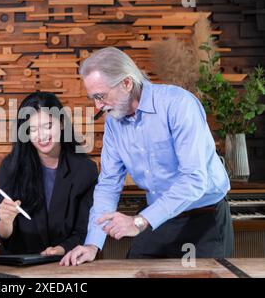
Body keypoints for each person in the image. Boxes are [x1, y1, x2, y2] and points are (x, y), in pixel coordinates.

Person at [61, 47, 233, 266]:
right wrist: (92, 244)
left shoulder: (179, 105)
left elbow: (194, 180)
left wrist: (140, 221)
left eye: (100, 96)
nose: (98, 106)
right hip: (158, 218)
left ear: (126, 83)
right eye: (93, 98)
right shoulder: (114, 123)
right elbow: (108, 184)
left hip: (204, 217)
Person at [0, 92, 98, 256]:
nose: (41, 136)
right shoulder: (11, 166)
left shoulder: (85, 170)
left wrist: (60, 250)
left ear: (61, 123)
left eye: (48, 126)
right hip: (18, 265)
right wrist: (6, 221)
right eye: (32, 129)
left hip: (64, 262)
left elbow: (83, 230)